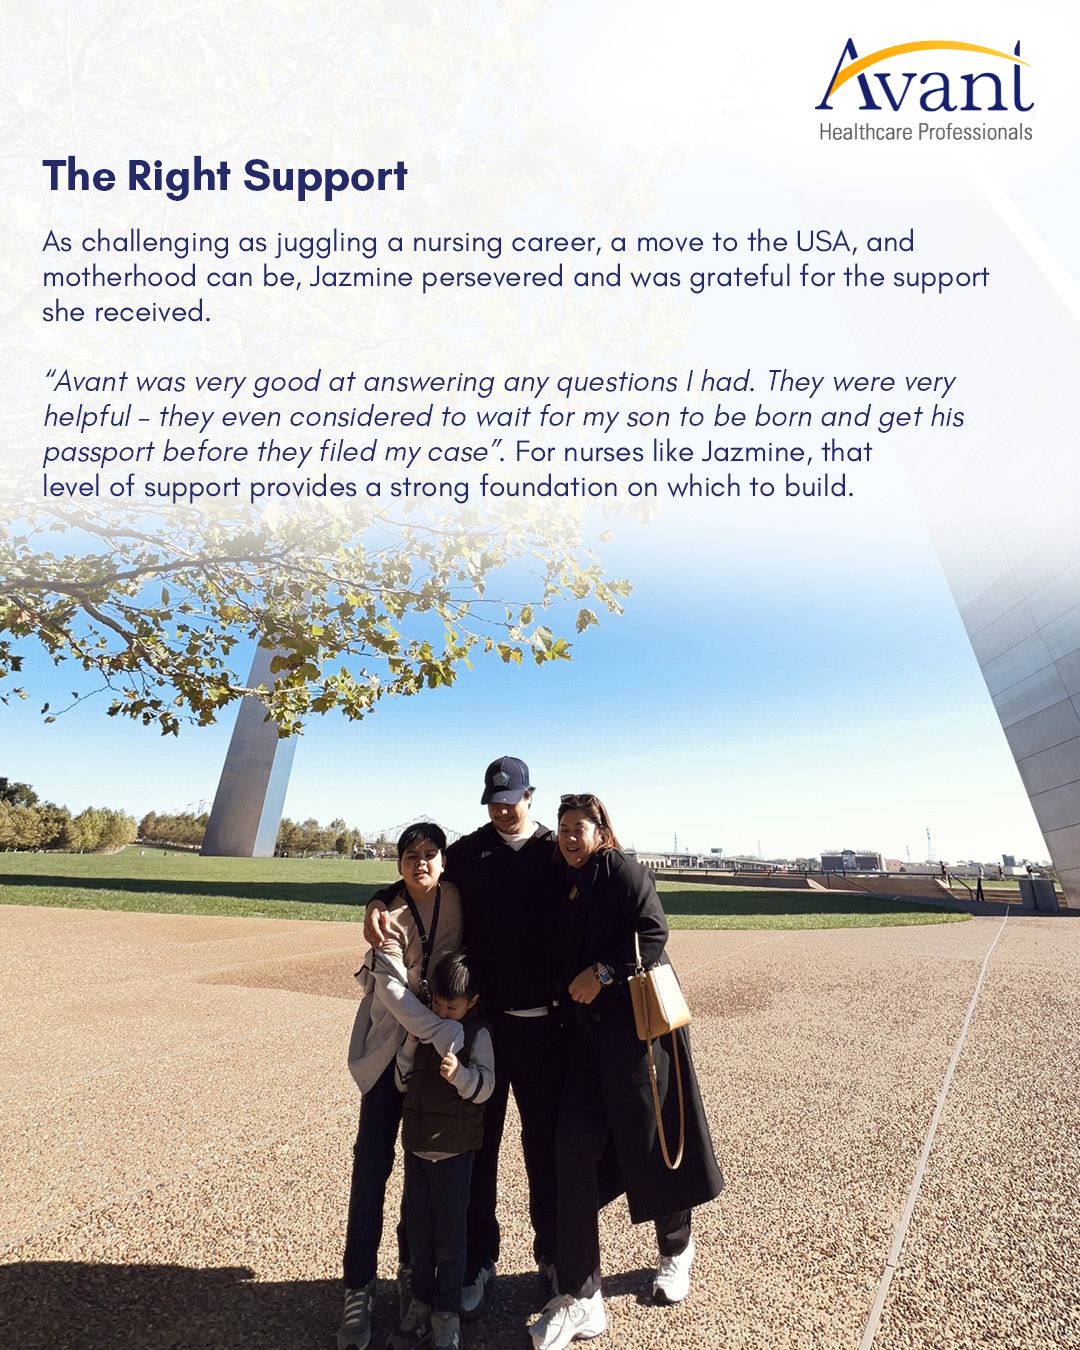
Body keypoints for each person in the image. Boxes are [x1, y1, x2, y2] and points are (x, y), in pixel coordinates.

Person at [367, 756, 565, 1316]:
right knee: (478, 1147)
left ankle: (551, 1252)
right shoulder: (474, 852)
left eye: (513, 799)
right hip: (484, 1026)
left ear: (531, 796)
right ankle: (480, 1257)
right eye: (495, 801)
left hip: (545, 1028)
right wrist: (379, 899)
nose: (504, 809)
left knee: (543, 1148)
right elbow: (421, 876)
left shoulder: (556, 850)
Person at [529, 793, 723, 1350]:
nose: (568, 836)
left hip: (639, 1037)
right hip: (588, 1042)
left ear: (600, 828)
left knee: (652, 1140)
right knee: (572, 1144)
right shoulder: (566, 879)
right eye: (562, 827)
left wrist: (603, 971)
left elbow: (655, 933)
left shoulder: (621, 870)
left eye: (578, 826)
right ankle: (582, 1295)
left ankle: (676, 1248)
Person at [339, 824, 464, 1350]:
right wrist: (445, 1030)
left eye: (431, 854)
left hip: (435, 1060)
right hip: (391, 1053)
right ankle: (358, 1286)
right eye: (411, 855)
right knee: (371, 1167)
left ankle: (412, 1271)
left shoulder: (458, 897)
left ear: (442, 861)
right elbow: (390, 992)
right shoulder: (387, 914)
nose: (421, 862)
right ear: (398, 866)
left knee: (423, 1165)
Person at [389, 951, 495, 1350]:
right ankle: (420, 1303)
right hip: (418, 1150)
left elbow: (486, 1086)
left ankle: (446, 1314)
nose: (442, 1013)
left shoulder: (476, 1035)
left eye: (452, 1008)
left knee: (451, 1240)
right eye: (437, 1004)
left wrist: (461, 1077)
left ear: (472, 1002)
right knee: (419, 1235)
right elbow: (402, 1082)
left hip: (454, 1154)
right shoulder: (423, 1028)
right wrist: (410, 1048)